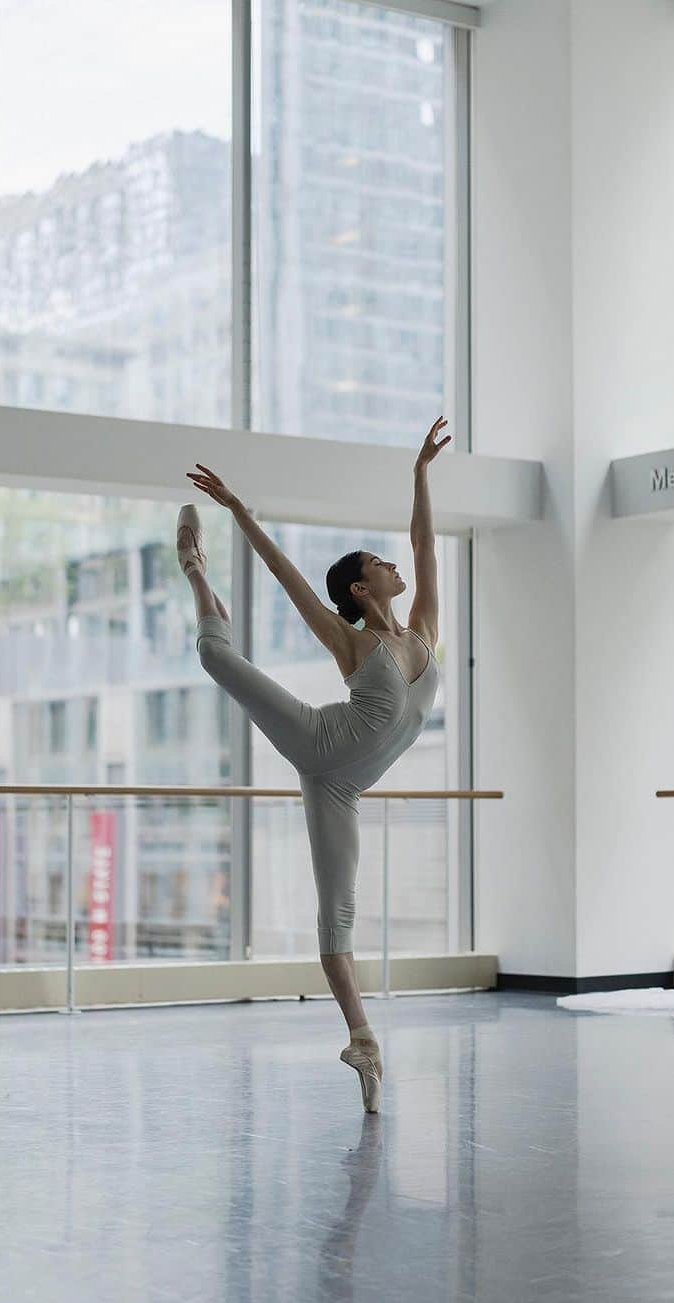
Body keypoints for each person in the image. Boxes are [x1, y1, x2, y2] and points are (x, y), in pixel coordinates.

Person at [176, 417, 450, 1112]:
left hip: (345, 786)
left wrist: (419, 473)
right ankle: (197, 576)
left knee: (338, 918)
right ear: (360, 590)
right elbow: (284, 573)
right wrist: (238, 510)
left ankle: (362, 1042)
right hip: (317, 742)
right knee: (214, 656)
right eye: (378, 565)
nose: (395, 567)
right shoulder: (350, 641)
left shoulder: (421, 633)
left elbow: (424, 545)